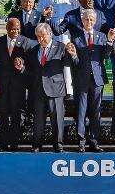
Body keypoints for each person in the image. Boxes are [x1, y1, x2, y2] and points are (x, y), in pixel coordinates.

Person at [17, 23, 78, 152]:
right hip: (38, 91)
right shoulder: (33, 50)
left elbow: (72, 64)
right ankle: (37, 145)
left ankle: (58, 145)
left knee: (57, 120)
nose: (40, 39)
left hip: (56, 90)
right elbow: (30, 71)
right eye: (38, 37)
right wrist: (22, 69)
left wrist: (73, 55)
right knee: (38, 121)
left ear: (50, 33)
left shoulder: (61, 47)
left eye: (42, 36)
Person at [71, 10, 112, 152]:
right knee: (81, 111)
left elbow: (105, 56)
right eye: (86, 19)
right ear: (82, 21)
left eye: (91, 20)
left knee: (96, 112)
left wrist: (110, 42)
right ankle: (81, 140)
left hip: (97, 79)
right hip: (81, 79)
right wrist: (74, 55)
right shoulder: (75, 38)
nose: (89, 22)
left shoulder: (101, 36)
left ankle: (94, 141)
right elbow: (74, 63)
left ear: (95, 21)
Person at [0, 18, 30, 151]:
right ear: (7, 28)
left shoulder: (25, 42)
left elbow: (30, 64)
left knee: (16, 116)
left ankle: (14, 144)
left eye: (18, 29)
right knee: (2, 115)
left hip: (18, 87)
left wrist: (22, 67)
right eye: (13, 29)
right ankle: (3, 144)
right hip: (2, 86)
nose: (15, 31)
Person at [38, 0, 79, 96]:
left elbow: (77, 10)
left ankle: (69, 89)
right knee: (53, 57)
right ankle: (51, 87)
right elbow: (41, 11)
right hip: (52, 31)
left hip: (66, 31)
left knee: (66, 57)